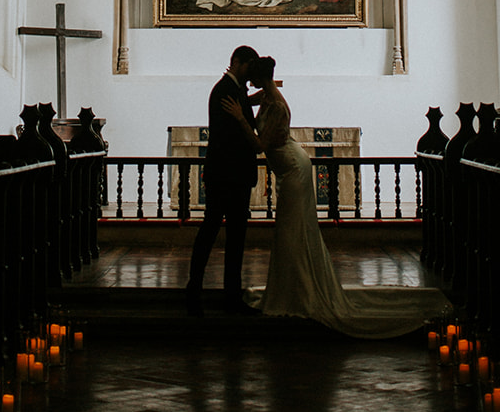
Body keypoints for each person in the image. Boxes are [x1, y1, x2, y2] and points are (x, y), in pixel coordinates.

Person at [223, 56, 447, 336]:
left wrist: (239, 118)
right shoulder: (268, 95)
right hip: (287, 169)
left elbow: (258, 145)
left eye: (251, 79)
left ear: (259, 78)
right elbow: (259, 99)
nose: (249, 83)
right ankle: (292, 287)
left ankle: (299, 292)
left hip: (294, 171)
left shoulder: (277, 104)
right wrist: (243, 98)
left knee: (292, 233)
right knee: (288, 233)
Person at [184, 44, 260, 316]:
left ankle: (218, 291)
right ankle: (207, 291)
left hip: (228, 174)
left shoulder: (231, 90)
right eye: (249, 66)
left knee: (221, 233)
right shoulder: (226, 91)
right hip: (229, 175)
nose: (251, 72)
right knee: (220, 233)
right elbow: (236, 134)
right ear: (239, 63)